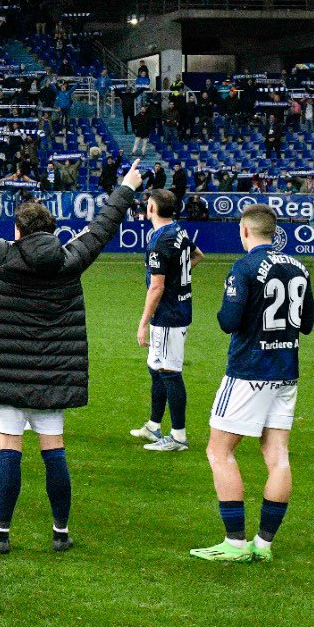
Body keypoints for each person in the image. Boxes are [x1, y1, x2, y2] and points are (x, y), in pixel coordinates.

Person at [0, 159, 142, 554]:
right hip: (53, 374)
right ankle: (60, 532)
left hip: (4, 373)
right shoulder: (71, 259)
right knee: (54, 449)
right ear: (52, 229)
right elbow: (103, 227)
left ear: (17, 229)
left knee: (9, 450)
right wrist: (126, 188)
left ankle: (2, 533)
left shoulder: (0, 254)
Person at [191, 205, 314, 562]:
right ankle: (264, 544)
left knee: (219, 451)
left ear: (245, 231)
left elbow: (228, 321)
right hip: (286, 372)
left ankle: (235, 543)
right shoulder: (300, 267)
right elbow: (306, 324)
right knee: (278, 457)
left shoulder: (243, 267)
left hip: (249, 372)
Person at [130, 189, 202, 453]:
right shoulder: (179, 231)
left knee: (170, 372)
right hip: (178, 310)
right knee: (156, 367)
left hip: (168, 315)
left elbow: (156, 288)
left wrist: (142, 323)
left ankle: (178, 437)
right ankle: (153, 426)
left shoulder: (159, 241)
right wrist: (178, 276)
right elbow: (197, 256)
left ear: (151, 208)